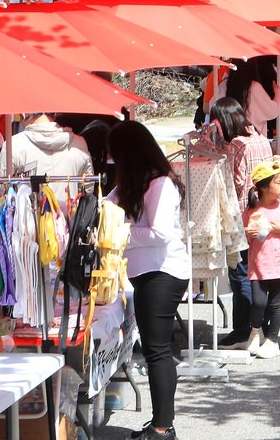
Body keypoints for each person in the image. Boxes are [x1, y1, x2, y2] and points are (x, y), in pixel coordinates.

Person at [107, 120, 190, 440]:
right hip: (145, 273)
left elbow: (159, 233)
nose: (112, 161)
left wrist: (119, 233)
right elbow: (107, 207)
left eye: (116, 154)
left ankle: (162, 427)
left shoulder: (160, 185)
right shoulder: (134, 182)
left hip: (163, 273)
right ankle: (160, 421)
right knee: (156, 349)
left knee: (157, 351)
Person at [209, 97, 272, 348]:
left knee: (240, 275)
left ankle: (243, 330)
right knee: (258, 273)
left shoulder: (237, 144)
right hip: (264, 214)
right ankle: (260, 327)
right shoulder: (260, 138)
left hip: (242, 217)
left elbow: (235, 184)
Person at [242, 158, 280, 358]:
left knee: (275, 304)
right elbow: (242, 237)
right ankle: (255, 331)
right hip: (258, 265)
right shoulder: (252, 211)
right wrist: (247, 233)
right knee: (258, 302)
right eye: (278, 182)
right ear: (264, 187)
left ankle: (273, 340)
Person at [224, 55, 280, 134]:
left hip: (234, 137)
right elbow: (273, 110)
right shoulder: (253, 87)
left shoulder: (228, 86)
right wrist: (278, 92)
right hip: (253, 137)